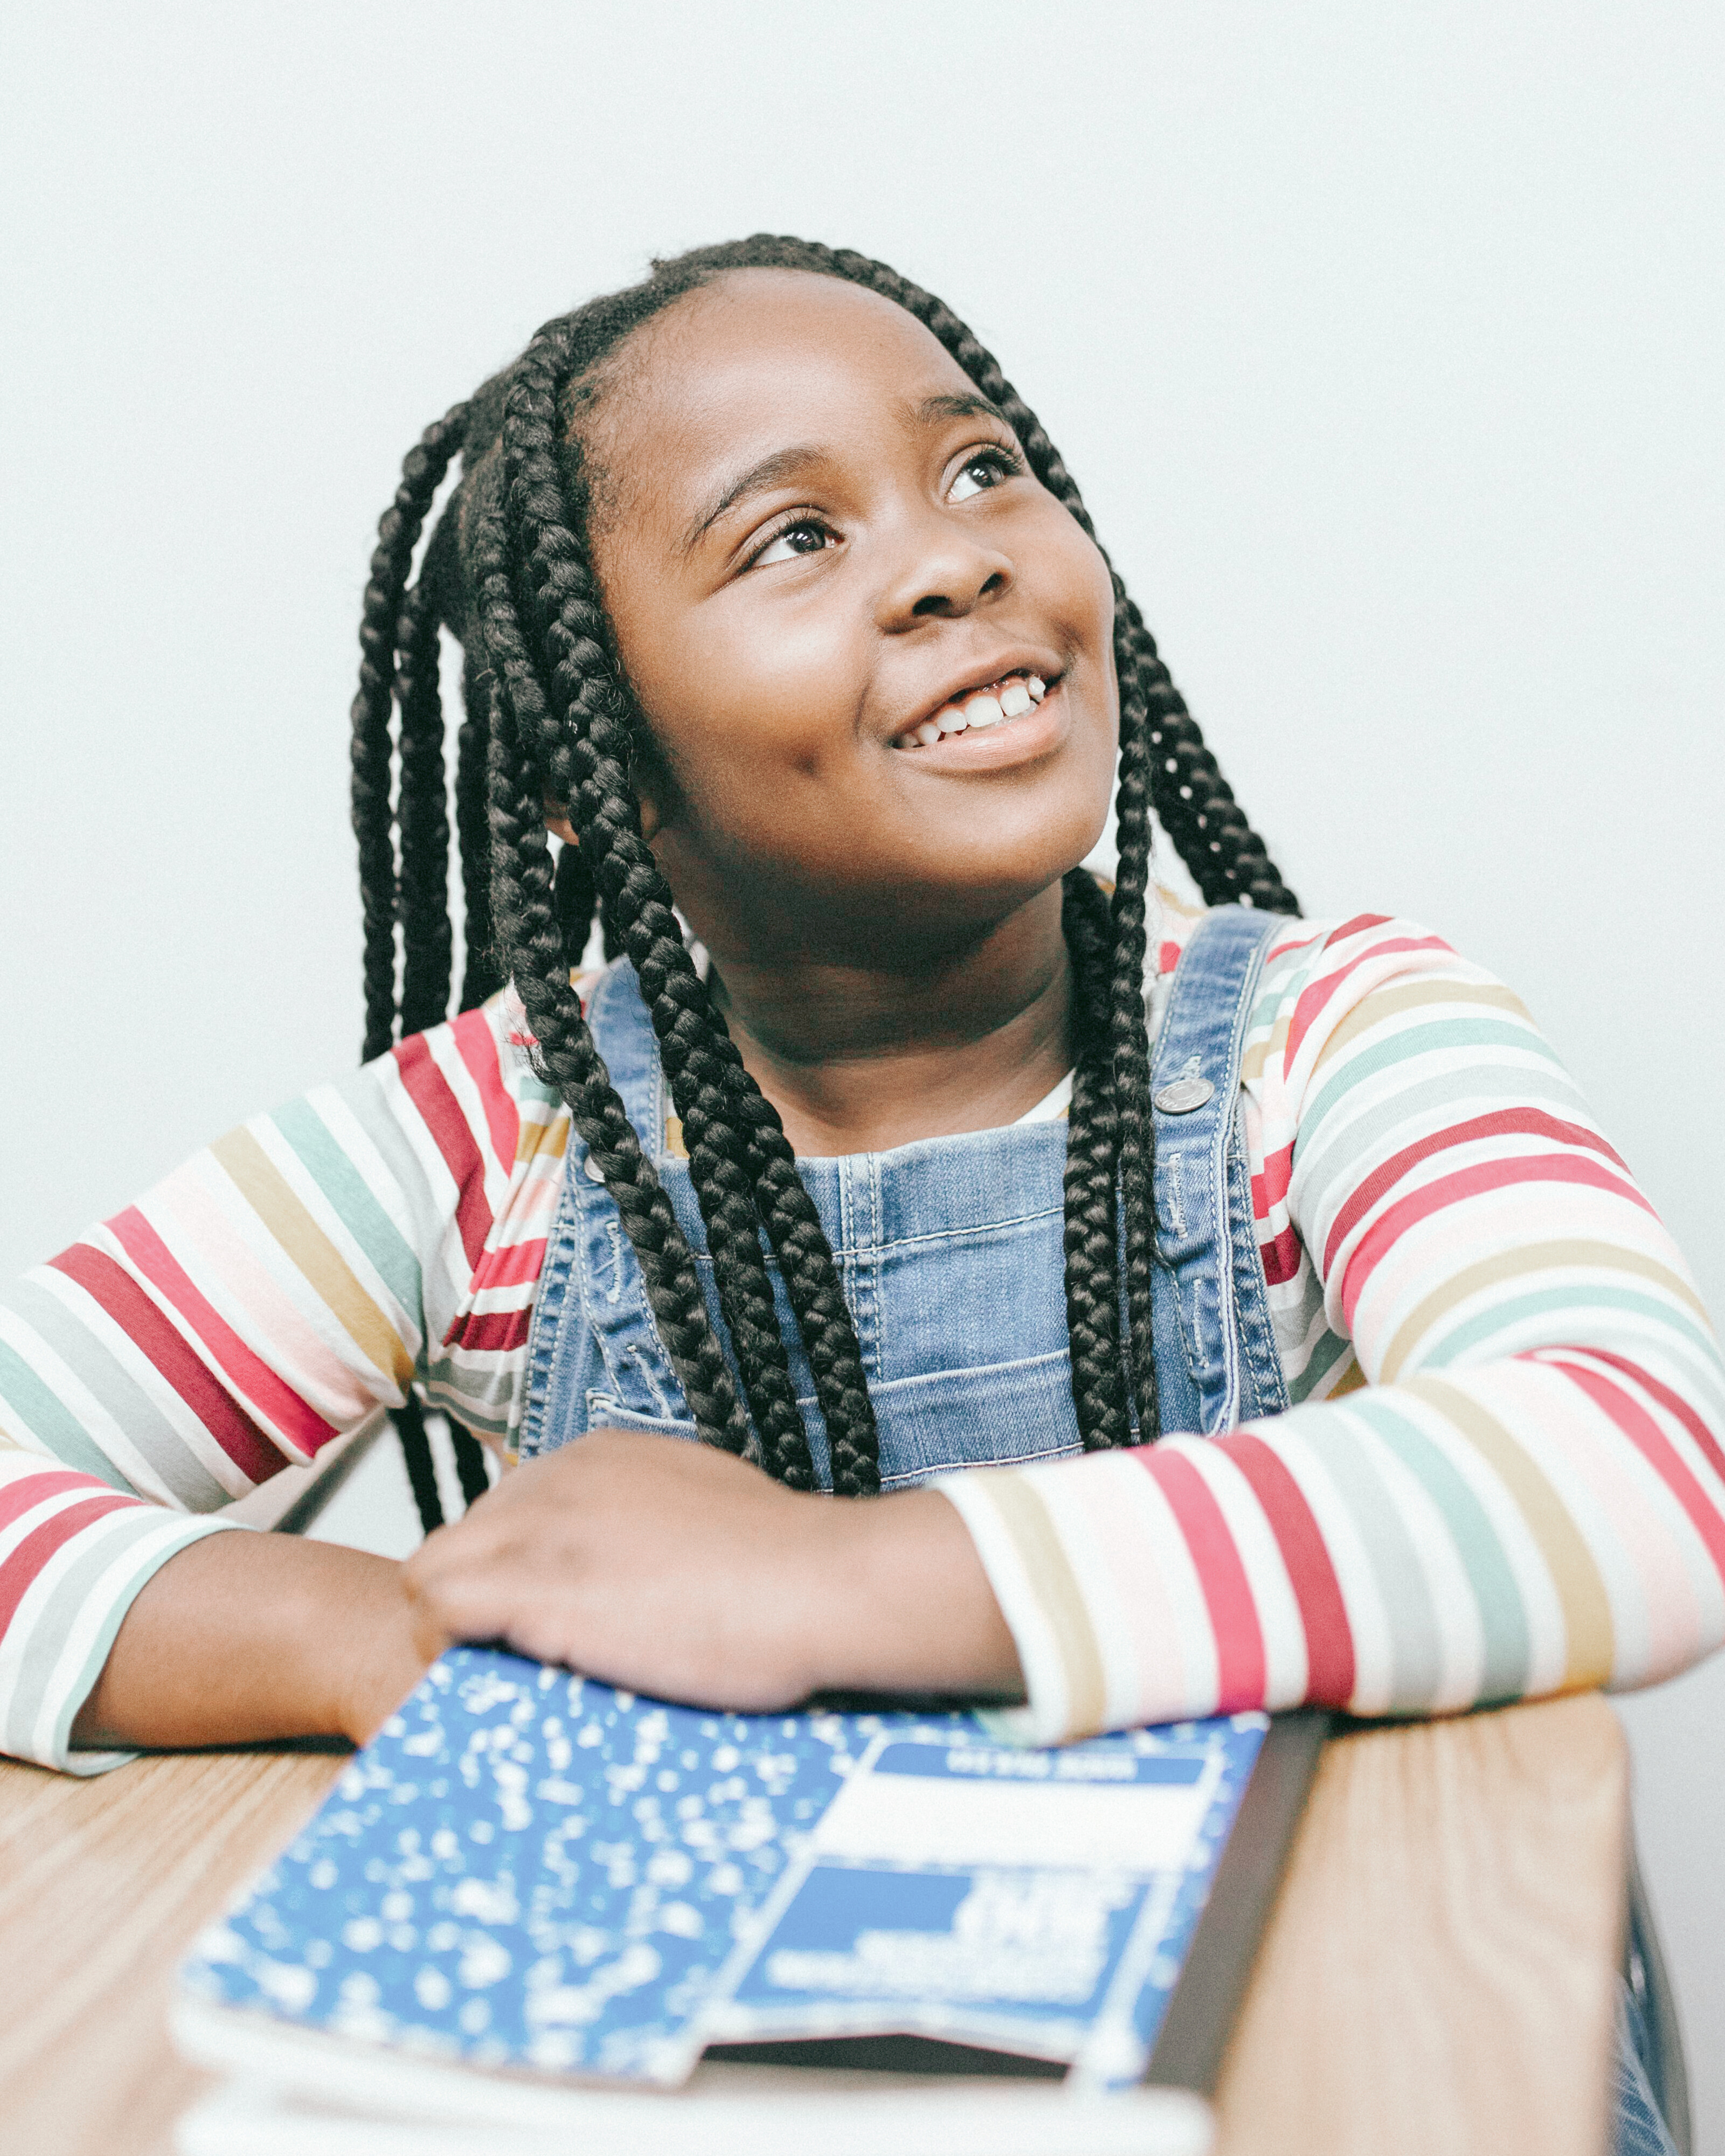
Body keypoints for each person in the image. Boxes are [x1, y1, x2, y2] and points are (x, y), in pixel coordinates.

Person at [4, 231, 1706, 2149]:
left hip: (1334, 2052)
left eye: (980, 469)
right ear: (586, 768)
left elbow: (1629, 1466)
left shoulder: (1327, 1041)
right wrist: (387, 1635)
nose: (953, 556)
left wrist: (822, 1582)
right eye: (793, 536)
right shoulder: (494, 1139)